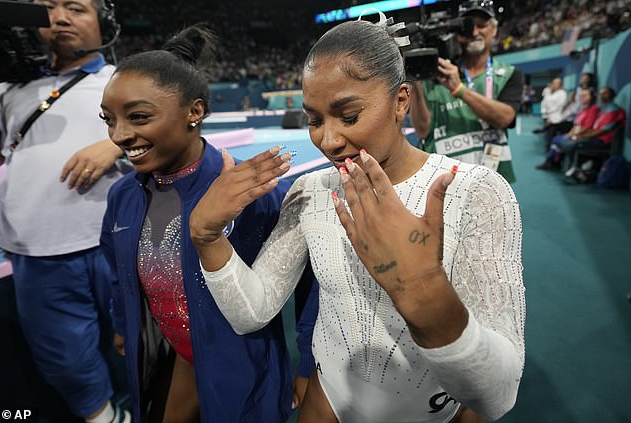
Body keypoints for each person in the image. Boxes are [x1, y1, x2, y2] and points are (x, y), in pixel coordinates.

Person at [190, 12, 525, 423]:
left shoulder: (477, 192)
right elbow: (252, 313)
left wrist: (423, 290)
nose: (328, 141)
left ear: (401, 100)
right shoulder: (310, 191)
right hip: (328, 398)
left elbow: (498, 395)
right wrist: (207, 235)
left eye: (349, 116)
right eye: (314, 120)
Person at [98, 23, 317, 423]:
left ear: (194, 112)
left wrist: (309, 364)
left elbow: (313, 284)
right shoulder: (123, 197)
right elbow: (117, 272)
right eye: (108, 119)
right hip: (178, 356)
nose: (120, 135)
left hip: (243, 369)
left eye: (138, 117)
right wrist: (121, 323)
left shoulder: (257, 194)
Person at [0, 1, 130, 422]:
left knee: (149, 340)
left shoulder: (125, 81)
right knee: (65, 361)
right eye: (48, 8)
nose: (60, 17)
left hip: (120, 244)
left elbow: (182, 125)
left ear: (103, 22)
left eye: (76, 8)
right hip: (37, 250)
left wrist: (116, 143)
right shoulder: (8, 89)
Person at [409, 0, 524, 183]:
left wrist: (459, 89)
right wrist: (416, 81)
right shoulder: (436, 74)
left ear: (494, 30)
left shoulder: (508, 74)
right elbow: (423, 131)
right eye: (468, 26)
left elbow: (505, 118)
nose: (475, 32)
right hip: (443, 180)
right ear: (457, 33)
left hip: (492, 181)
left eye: (482, 25)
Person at [564, 86, 627, 179]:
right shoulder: (604, 109)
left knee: (575, 145)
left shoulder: (614, 110)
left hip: (603, 142)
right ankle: (579, 169)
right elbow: (594, 127)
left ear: (611, 95)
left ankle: (579, 169)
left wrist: (585, 137)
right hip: (595, 139)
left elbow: (604, 130)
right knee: (571, 143)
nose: (601, 95)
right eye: (600, 93)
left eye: (604, 93)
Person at [536, 87, 599, 171]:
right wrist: (569, 134)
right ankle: (552, 162)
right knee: (556, 138)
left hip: (582, 136)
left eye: (585, 96)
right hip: (575, 133)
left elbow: (587, 127)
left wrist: (574, 135)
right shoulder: (583, 109)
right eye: (581, 96)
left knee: (558, 139)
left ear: (592, 97)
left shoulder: (593, 109)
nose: (582, 98)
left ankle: (552, 163)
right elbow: (576, 125)